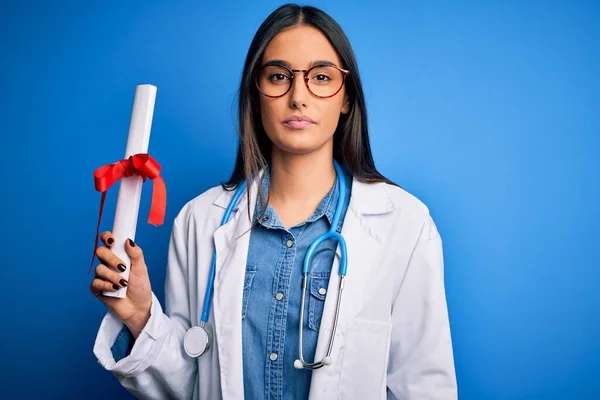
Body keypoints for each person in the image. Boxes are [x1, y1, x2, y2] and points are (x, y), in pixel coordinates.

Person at [90, 3, 457, 399]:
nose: (298, 96)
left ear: (347, 98)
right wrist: (142, 316)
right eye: (279, 76)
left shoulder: (404, 223)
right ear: (256, 93)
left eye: (320, 77)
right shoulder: (199, 221)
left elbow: (423, 387)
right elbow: (193, 385)